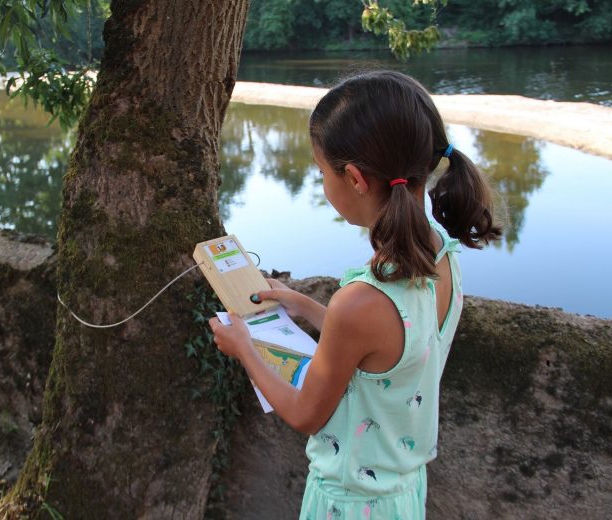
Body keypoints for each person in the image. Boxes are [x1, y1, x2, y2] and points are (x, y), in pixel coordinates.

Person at [208, 70, 501, 519]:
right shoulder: (441, 255)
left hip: (348, 504)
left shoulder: (362, 300)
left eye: (320, 171)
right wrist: (303, 305)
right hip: (402, 494)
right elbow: (388, 349)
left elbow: (306, 414)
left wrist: (244, 348)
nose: (322, 182)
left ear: (356, 179)